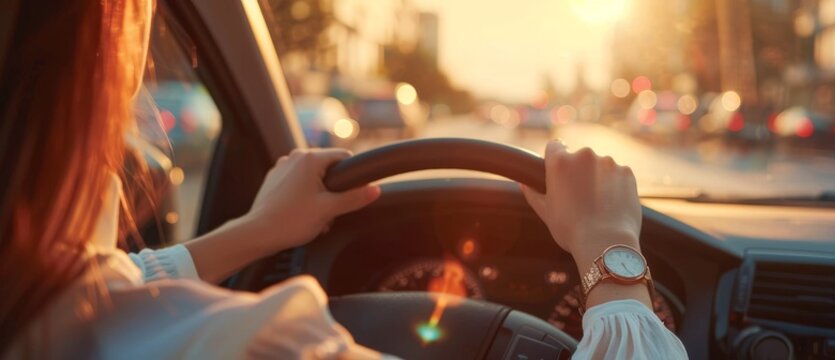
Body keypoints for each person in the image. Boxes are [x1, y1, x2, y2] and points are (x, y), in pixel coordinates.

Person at [0, 0, 687, 359]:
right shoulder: (257, 346)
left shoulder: (41, 314)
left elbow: (101, 302)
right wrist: (610, 256)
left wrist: (254, 234)